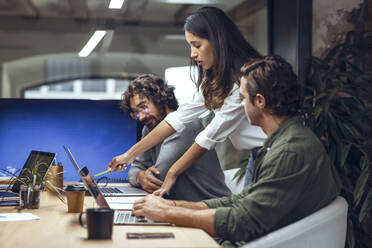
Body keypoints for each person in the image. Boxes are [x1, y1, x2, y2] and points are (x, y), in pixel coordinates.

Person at [131, 56, 341, 247]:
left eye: (242, 98)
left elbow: (242, 221)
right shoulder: (282, 142)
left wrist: (168, 212)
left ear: (259, 101)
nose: (240, 105)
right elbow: (239, 201)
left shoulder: (289, 152)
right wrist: (175, 205)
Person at [107, 6, 267, 195]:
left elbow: (209, 137)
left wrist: (173, 172)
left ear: (217, 41)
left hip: (271, 154)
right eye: (190, 46)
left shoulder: (241, 82)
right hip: (256, 157)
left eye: (197, 45)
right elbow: (178, 118)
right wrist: (129, 155)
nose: (192, 54)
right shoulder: (216, 82)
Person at [121, 74, 231, 201]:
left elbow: (157, 177)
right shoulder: (149, 128)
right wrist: (140, 177)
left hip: (208, 206)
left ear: (160, 99)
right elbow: (136, 167)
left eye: (143, 106)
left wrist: (143, 177)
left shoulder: (185, 126)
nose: (141, 117)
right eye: (136, 112)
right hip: (179, 206)